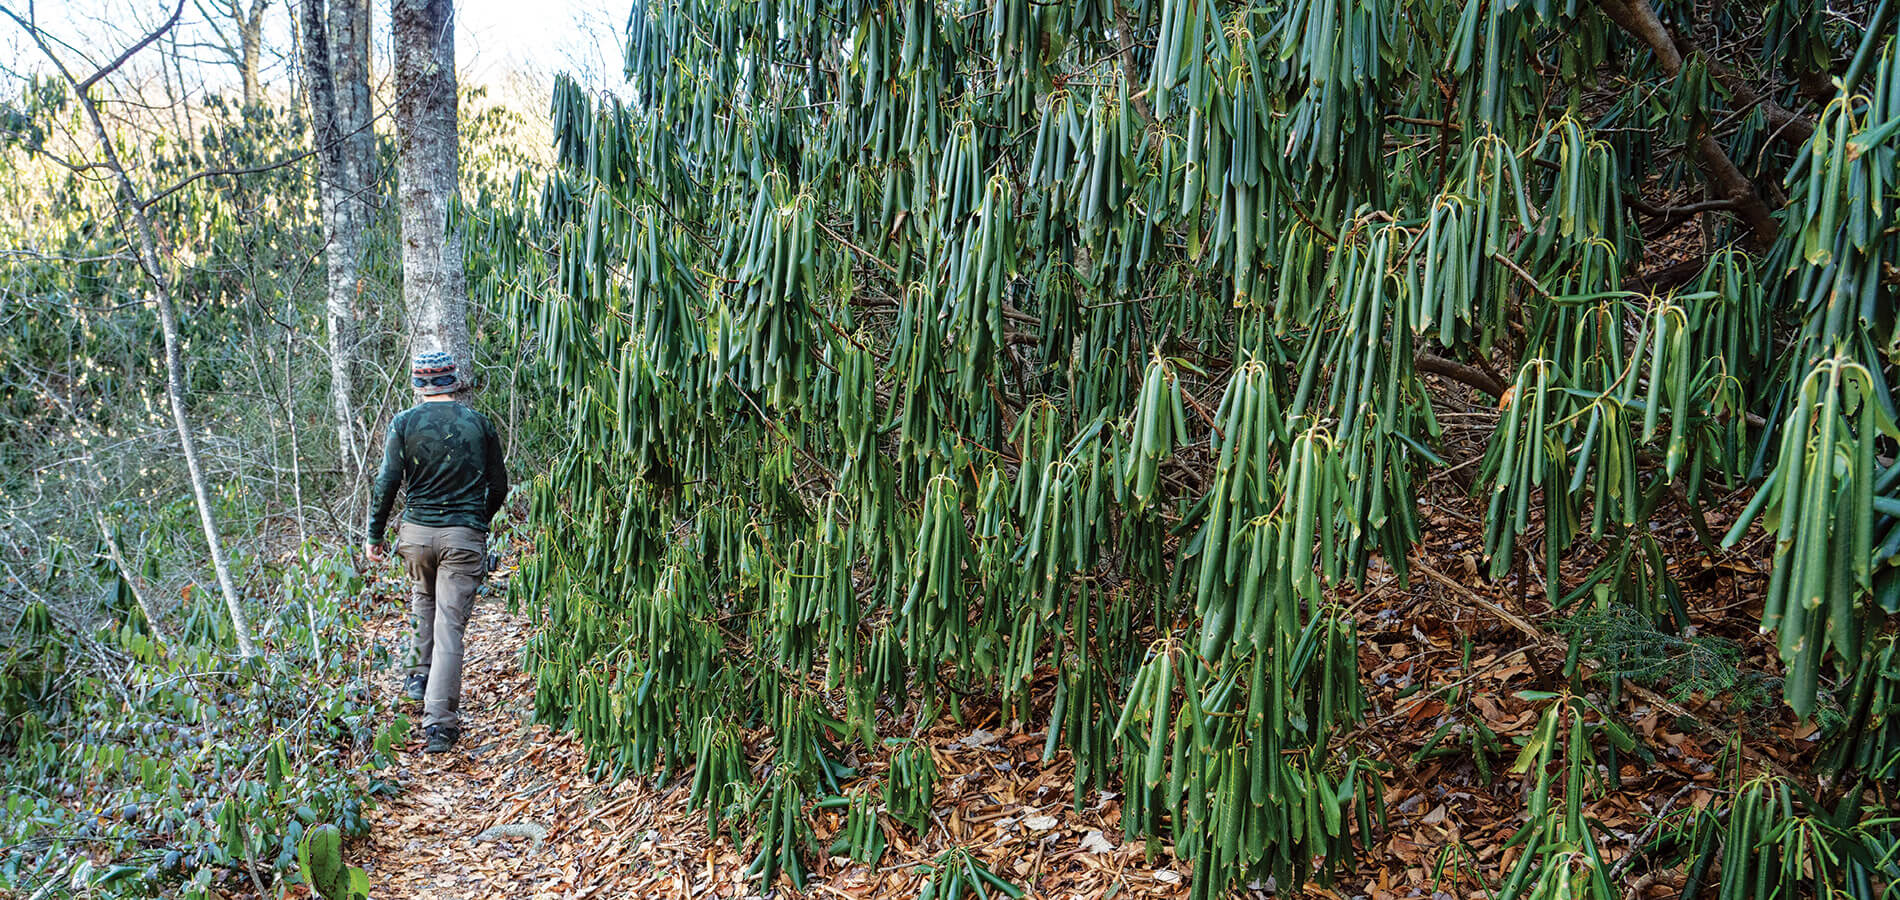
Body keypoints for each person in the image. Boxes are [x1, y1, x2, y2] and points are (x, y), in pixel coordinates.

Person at [364, 351, 508, 753]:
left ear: (418, 385)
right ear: (454, 380)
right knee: (449, 625)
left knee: (420, 600)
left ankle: (415, 676)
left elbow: (387, 483)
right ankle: (439, 725)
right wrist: (477, 520)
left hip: (416, 535)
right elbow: (499, 485)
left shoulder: (404, 423)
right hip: (462, 536)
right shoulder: (479, 425)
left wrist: (375, 534)